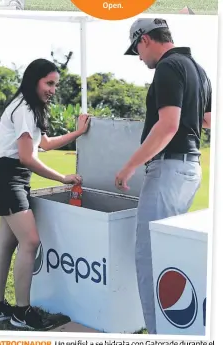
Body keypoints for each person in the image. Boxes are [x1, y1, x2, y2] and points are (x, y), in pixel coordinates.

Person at [118, 18, 212, 334]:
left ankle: (158, 332)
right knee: (171, 255)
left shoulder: (168, 67)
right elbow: (208, 120)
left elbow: (168, 126)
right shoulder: (198, 70)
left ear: (144, 39)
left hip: (168, 169)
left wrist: (130, 165)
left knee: (149, 257)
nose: (140, 58)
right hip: (190, 170)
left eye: (136, 50)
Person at [0, 58, 91, 330]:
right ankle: (23, 314)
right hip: (9, 178)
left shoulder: (27, 106)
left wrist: (77, 132)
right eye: (49, 83)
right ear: (35, 80)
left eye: (55, 84)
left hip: (9, 178)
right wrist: (62, 177)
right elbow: (26, 157)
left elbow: (42, 144)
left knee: (8, 245)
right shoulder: (25, 109)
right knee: (30, 242)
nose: (53, 89)